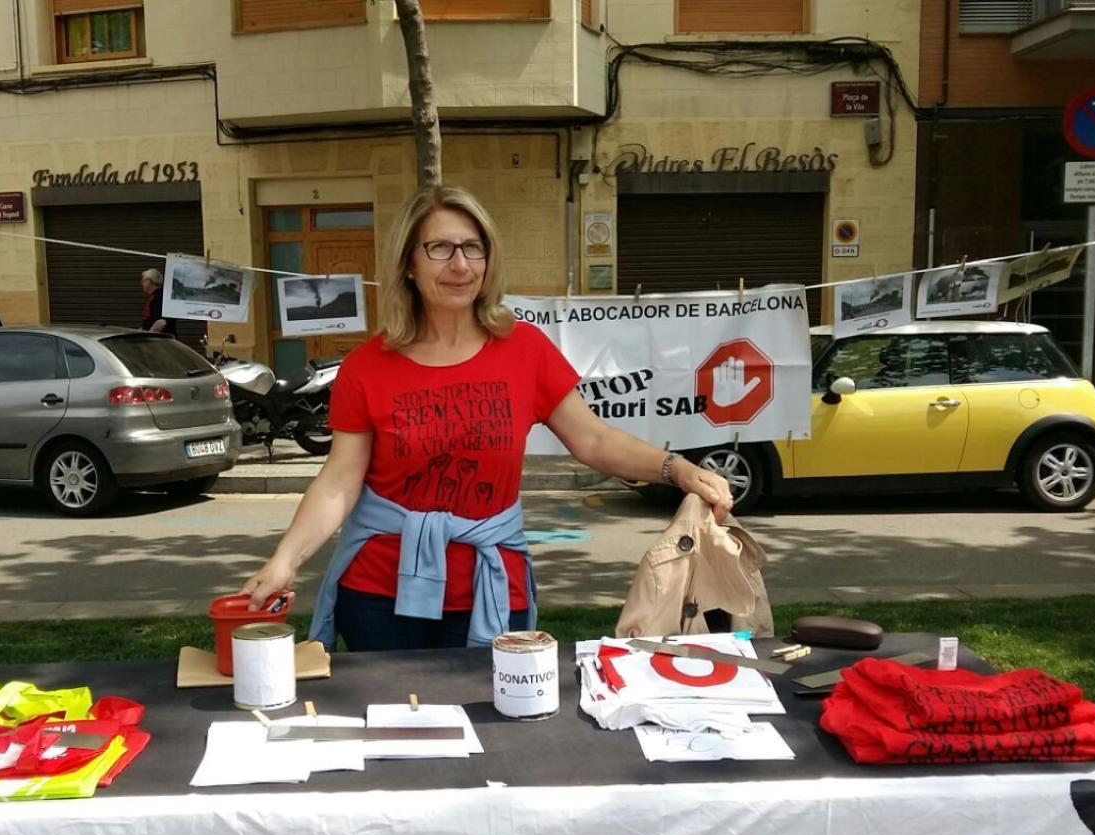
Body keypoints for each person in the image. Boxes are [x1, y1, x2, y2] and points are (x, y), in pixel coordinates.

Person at [239, 185, 734, 651]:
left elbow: (596, 441)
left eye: (473, 248)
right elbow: (338, 483)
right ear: (409, 262)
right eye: (439, 248)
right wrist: (285, 560)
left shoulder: (525, 350)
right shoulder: (367, 366)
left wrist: (679, 469)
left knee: (496, 736)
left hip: (493, 589)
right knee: (394, 730)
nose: (459, 264)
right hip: (379, 594)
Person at [141, 268, 175, 336]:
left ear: (148, 281)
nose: (142, 283)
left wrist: (147, 338)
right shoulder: (157, 296)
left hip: (162, 343)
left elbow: (161, 322)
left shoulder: (159, 297)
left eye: (143, 280)